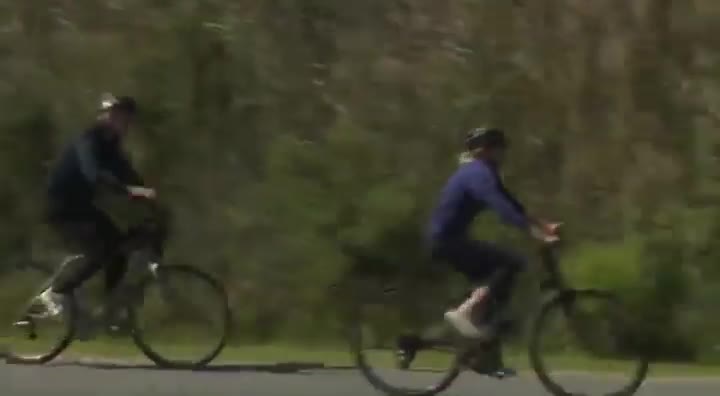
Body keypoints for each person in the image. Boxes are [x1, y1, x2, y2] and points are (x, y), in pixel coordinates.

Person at [424, 127, 559, 373]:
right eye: (500, 149)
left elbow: (511, 202)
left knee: (499, 289)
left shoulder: (483, 172)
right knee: (510, 263)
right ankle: (465, 313)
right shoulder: (476, 174)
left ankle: (484, 356)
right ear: (485, 150)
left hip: (450, 239)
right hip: (446, 241)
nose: (504, 154)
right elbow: (502, 209)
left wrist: (543, 224)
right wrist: (535, 234)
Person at [39, 94, 157, 318]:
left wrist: (149, 195)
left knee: (120, 249)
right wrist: (131, 191)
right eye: (117, 116)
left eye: (127, 118)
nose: (123, 123)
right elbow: (93, 175)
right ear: (104, 117)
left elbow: (127, 173)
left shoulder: (111, 146)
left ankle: (109, 309)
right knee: (102, 251)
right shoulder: (88, 140)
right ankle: (56, 293)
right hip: (61, 207)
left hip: (82, 207)